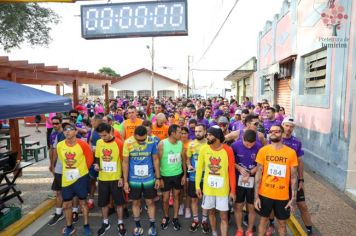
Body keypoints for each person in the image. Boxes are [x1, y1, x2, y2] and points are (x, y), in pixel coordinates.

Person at [254, 125, 298, 236]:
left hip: (282, 196)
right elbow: (258, 173)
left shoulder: (291, 153)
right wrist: (256, 197)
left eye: (277, 131)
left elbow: (294, 177)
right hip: (265, 193)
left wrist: (293, 199)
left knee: (282, 224)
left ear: (282, 134)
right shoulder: (263, 151)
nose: (273, 133)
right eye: (271, 131)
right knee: (263, 221)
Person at [195, 126, 236, 236]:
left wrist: (233, 191)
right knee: (211, 212)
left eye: (209, 135)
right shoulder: (204, 149)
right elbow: (199, 169)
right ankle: (214, 232)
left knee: (223, 216)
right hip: (208, 189)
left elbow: (231, 171)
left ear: (217, 137)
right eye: (207, 134)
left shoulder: (228, 150)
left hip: (223, 190)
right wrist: (197, 186)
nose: (207, 136)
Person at [122, 126, 161, 236]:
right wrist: (125, 181)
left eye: (143, 139)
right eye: (139, 140)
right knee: (135, 202)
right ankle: (138, 226)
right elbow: (125, 162)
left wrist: (158, 178)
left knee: (150, 202)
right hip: (134, 179)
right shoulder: (128, 142)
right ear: (134, 135)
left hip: (149, 178)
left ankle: (152, 226)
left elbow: (155, 159)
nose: (141, 142)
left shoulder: (151, 141)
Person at [57, 122, 93, 236]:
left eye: (70, 129)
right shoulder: (60, 145)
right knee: (66, 205)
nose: (67, 131)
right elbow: (63, 161)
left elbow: (90, 160)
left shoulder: (83, 144)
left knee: (83, 203)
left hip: (81, 178)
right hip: (67, 178)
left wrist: (81, 172)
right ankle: (69, 226)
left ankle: (86, 226)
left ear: (76, 131)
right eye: (65, 129)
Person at [281, 117, 314, 236]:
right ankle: (271, 224)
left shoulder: (297, 142)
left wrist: (301, 180)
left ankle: (309, 230)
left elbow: (300, 163)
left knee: (302, 205)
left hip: (293, 180)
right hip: (279, 180)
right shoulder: (275, 140)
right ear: (282, 125)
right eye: (287, 125)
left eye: (291, 126)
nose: (289, 128)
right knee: (278, 206)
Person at [94, 123, 126, 236]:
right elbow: (97, 157)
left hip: (116, 178)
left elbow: (124, 162)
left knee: (119, 203)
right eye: (100, 136)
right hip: (103, 178)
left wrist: (122, 177)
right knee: (103, 202)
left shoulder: (119, 143)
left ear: (111, 132)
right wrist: (97, 165)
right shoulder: (99, 143)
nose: (103, 138)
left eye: (105, 135)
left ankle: (120, 223)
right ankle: (105, 222)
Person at [231, 130, 262, 236]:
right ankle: (239, 229)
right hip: (238, 180)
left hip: (252, 180)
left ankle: (249, 230)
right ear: (242, 139)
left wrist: (253, 171)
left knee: (251, 207)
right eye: (247, 144)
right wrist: (239, 168)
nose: (249, 147)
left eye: (251, 145)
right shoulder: (235, 145)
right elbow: (230, 161)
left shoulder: (259, 146)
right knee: (238, 206)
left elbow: (261, 164)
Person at [158, 124, 186, 231]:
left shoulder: (180, 144)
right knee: (165, 199)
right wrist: (159, 177)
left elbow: (183, 159)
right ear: (173, 133)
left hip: (178, 174)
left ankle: (175, 218)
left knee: (176, 196)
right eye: (179, 132)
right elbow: (158, 161)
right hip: (165, 176)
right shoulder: (162, 144)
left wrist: (184, 175)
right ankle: (166, 216)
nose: (181, 134)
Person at [186, 124, 211, 233]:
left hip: (206, 177)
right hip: (193, 177)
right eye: (196, 131)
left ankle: (204, 220)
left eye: (200, 131)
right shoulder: (191, 144)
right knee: (194, 199)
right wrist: (189, 165)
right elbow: (188, 158)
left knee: (205, 199)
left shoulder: (210, 144)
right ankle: (196, 220)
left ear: (205, 131)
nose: (197, 133)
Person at [47, 116, 64, 226]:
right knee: (58, 191)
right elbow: (52, 150)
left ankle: (74, 211)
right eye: (53, 123)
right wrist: (51, 164)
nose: (55, 125)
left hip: (67, 168)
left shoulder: (64, 134)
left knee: (69, 192)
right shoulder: (53, 135)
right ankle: (59, 213)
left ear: (61, 123)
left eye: (57, 123)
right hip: (57, 168)